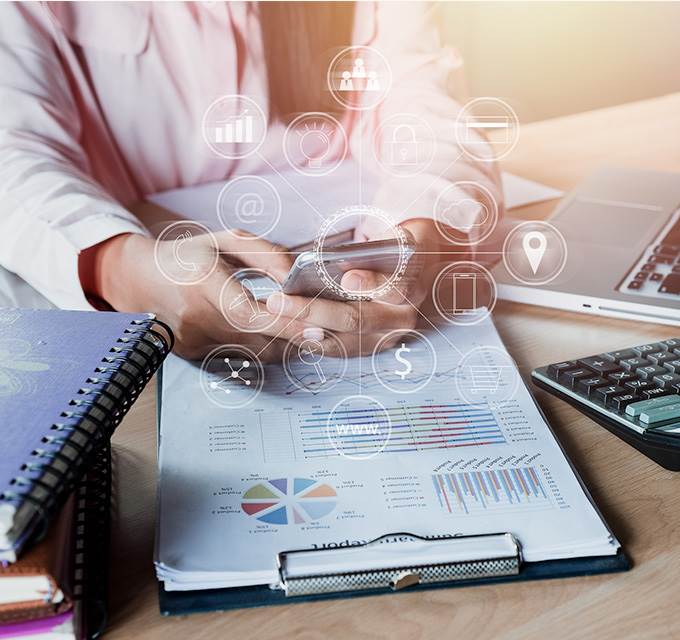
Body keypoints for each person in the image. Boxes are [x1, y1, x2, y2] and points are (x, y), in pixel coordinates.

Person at [0, 2, 502, 360]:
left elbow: (426, 107)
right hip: (117, 341)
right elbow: (13, 152)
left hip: (343, 305)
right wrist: (119, 267)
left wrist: (421, 232)